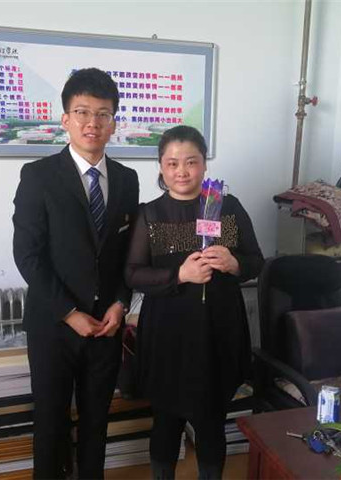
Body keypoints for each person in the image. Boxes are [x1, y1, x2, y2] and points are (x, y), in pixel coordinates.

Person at [12, 68, 139, 479]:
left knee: (97, 421)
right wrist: (69, 313)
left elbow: (127, 255)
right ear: (65, 119)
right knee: (50, 422)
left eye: (103, 114)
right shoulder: (38, 176)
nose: (92, 123)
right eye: (82, 112)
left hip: (106, 325)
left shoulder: (127, 180)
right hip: (53, 325)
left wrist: (120, 304)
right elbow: (27, 255)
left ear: (114, 122)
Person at [124, 125, 264, 479]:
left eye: (191, 161)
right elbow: (133, 274)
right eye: (172, 163)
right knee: (166, 419)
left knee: (212, 419)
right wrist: (180, 275)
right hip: (167, 333)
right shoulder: (150, 214)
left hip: (218, 329)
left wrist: (234, 264)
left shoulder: (226, 207)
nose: (182, 171)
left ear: (204, 164)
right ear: (161, 166)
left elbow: (256, 261)